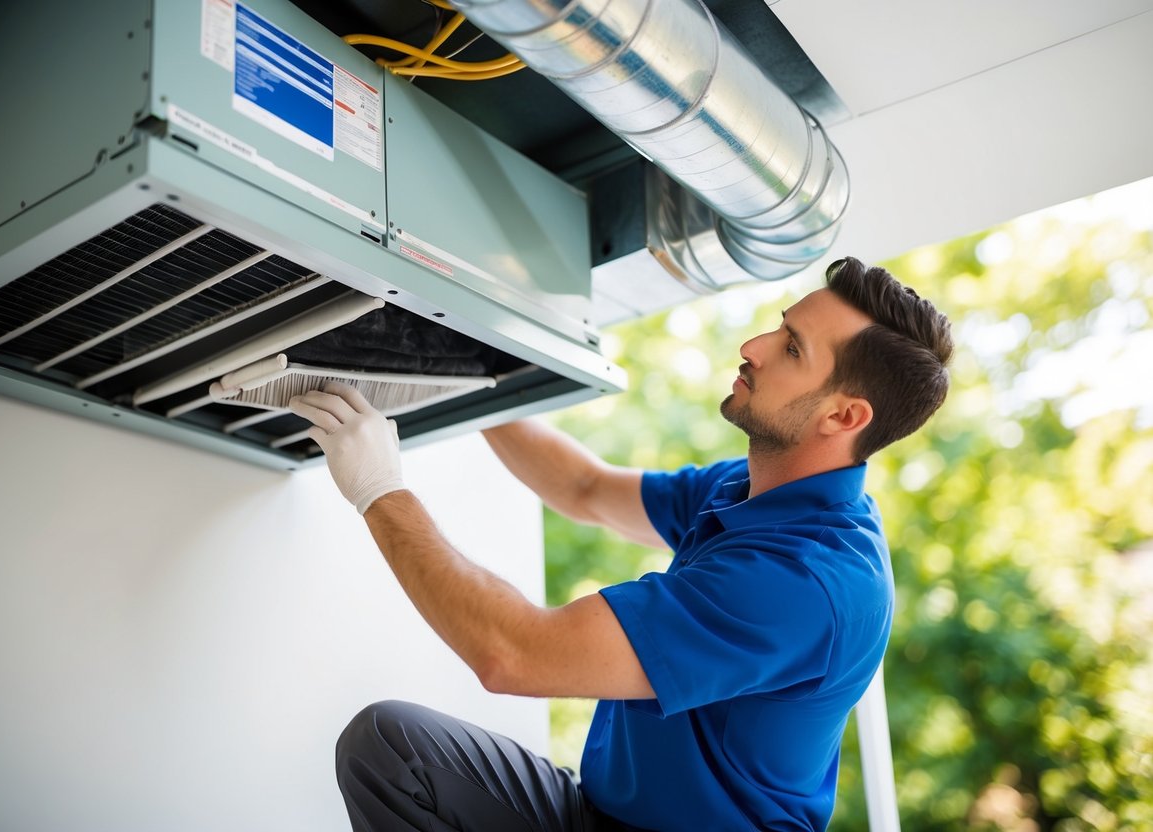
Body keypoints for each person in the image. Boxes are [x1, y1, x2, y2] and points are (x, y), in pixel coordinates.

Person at [288, 256, 954, 831]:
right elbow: (583, 487)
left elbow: (511, 654)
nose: (753, 344)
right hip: (599, 816)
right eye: (779, 326)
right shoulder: (752, 490)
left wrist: (379, 489)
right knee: (395, 750)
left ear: (842, 416)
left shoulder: (801, 583)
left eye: (790, 349)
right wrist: (470, 368)